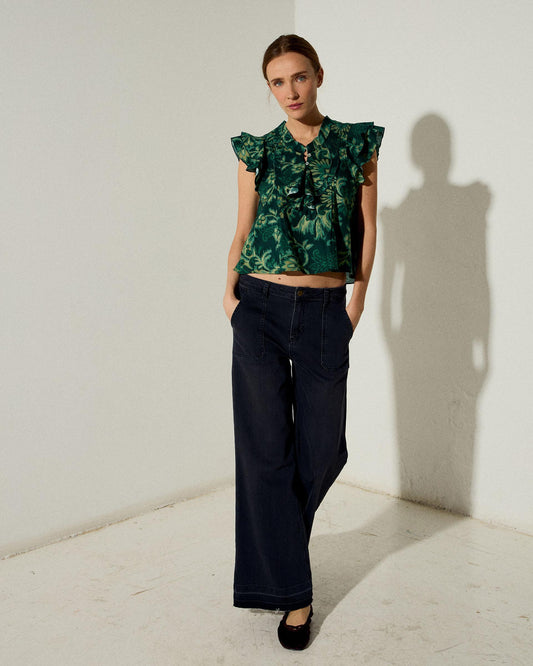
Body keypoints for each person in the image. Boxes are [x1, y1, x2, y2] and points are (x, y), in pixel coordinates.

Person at [222, 34, 384, 651]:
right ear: (269, 87)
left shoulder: (357, 144)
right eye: (277, 82)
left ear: (318, 75)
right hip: (259, 307)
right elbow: (242, 228)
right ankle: (295, 595)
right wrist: (230, 297)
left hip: (323, 310)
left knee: (322, 450)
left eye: (299, 77)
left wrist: (356, 300)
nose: (290, 91)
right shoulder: (256, 151)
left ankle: (278, 557)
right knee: (265, 451)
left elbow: (369, 224)